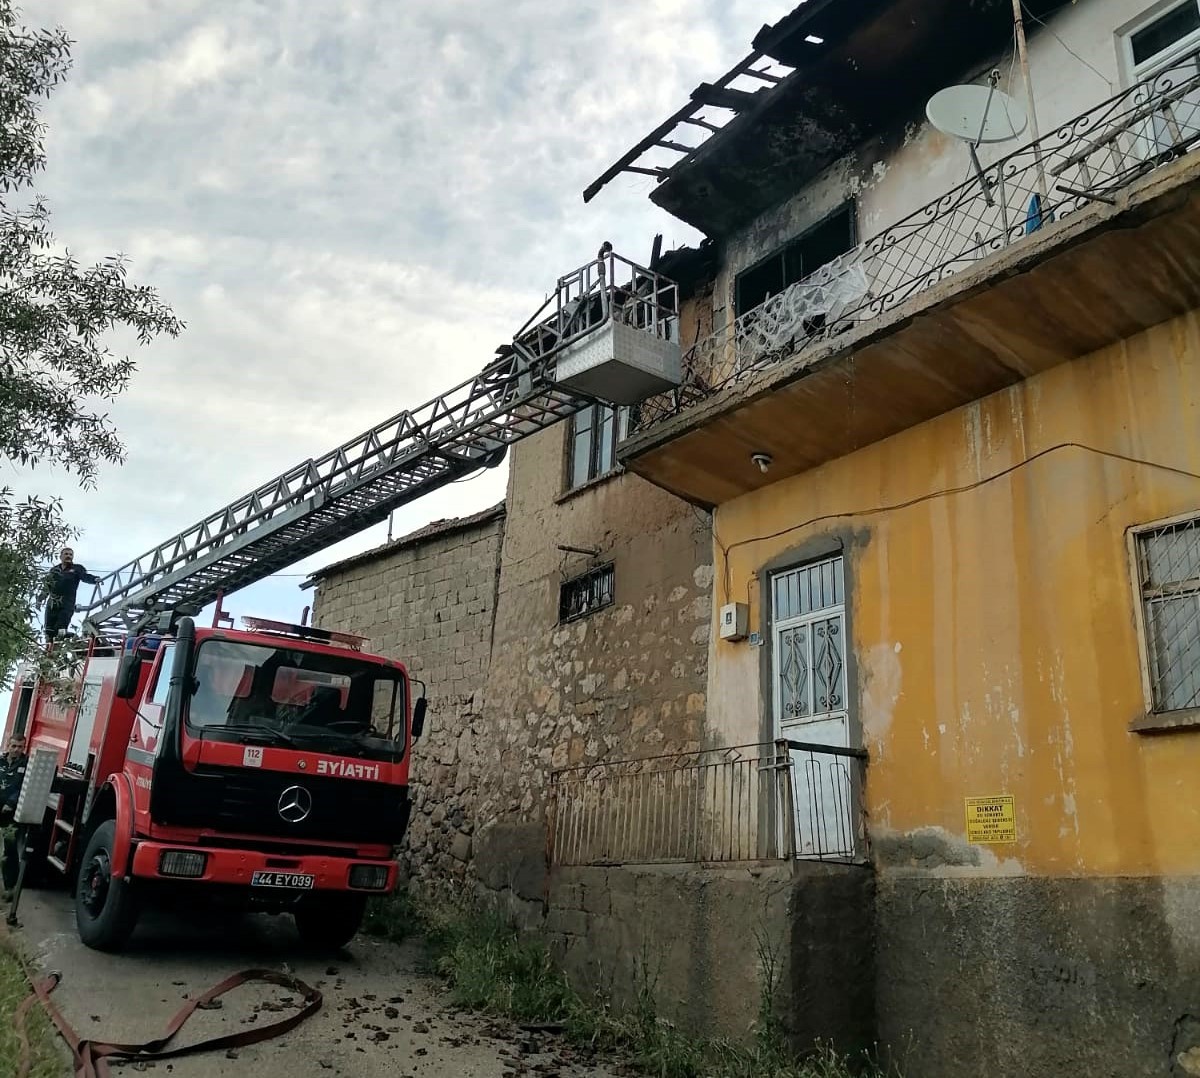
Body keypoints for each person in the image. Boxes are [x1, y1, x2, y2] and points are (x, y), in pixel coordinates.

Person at [40, 547, 98, 644]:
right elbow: (47, 586)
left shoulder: (77, 568)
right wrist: (40, 599)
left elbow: (85, 576)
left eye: (70, 554)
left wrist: (94, 579)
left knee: (60, 631)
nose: (68, 556)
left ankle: (74, 638)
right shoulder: (54, 570)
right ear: (61, 556)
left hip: (67, 603)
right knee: (48, 631)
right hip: (52, 603)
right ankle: (48, 652)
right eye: (66, 554)